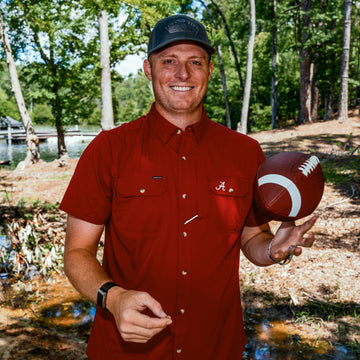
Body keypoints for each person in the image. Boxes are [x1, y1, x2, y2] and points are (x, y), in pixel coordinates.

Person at [60, 14, 317, 360]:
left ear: (209, 70)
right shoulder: (108, 150)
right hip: (125, 351)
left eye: (195, 62)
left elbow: (252, 240)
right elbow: (77, 253)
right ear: (149, 70)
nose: (182, 74)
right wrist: (113, 297)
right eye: (169, 62)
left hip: (215, 347)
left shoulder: (245, 153)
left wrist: (273, 249)